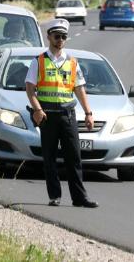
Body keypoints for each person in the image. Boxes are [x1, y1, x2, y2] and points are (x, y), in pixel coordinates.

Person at [25, 18, 98, 208]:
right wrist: (37, 110)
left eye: (63, 37)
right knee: (49, 158)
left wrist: (88, 113)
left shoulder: (72, 63)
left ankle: (79, 197)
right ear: (49, 37)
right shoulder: (39, 61)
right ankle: (54, 196)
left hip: (68, 115)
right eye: (57, 36)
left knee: (74, 157)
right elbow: (30, 88)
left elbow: (79, 89)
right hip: (47, 116)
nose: (60, 40)